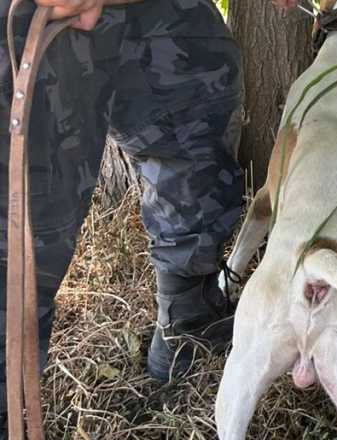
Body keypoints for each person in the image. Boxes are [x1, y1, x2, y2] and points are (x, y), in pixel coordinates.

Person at [0, 0, 244, 432]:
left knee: (200, 82)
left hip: (150, 10)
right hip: (35, 15)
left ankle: (187, 320)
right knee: (21, 231)